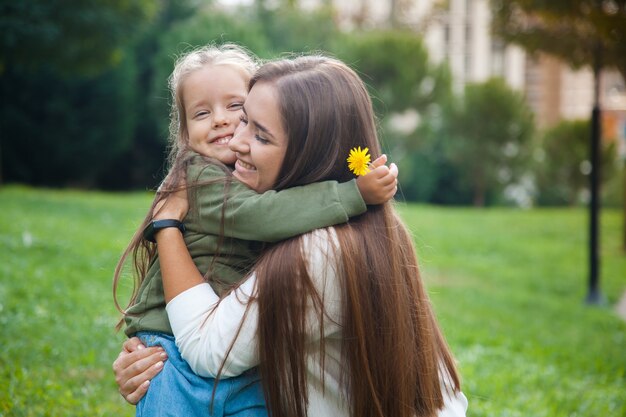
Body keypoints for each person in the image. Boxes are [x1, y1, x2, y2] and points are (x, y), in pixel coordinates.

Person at [114, 55, 467, 417]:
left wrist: (167, 226)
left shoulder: (319, 249)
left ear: (307, 154)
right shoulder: (374, 229)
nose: (234, 139)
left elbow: (208, 352)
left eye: (259, 133)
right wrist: (154, 361)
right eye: (245, 119)